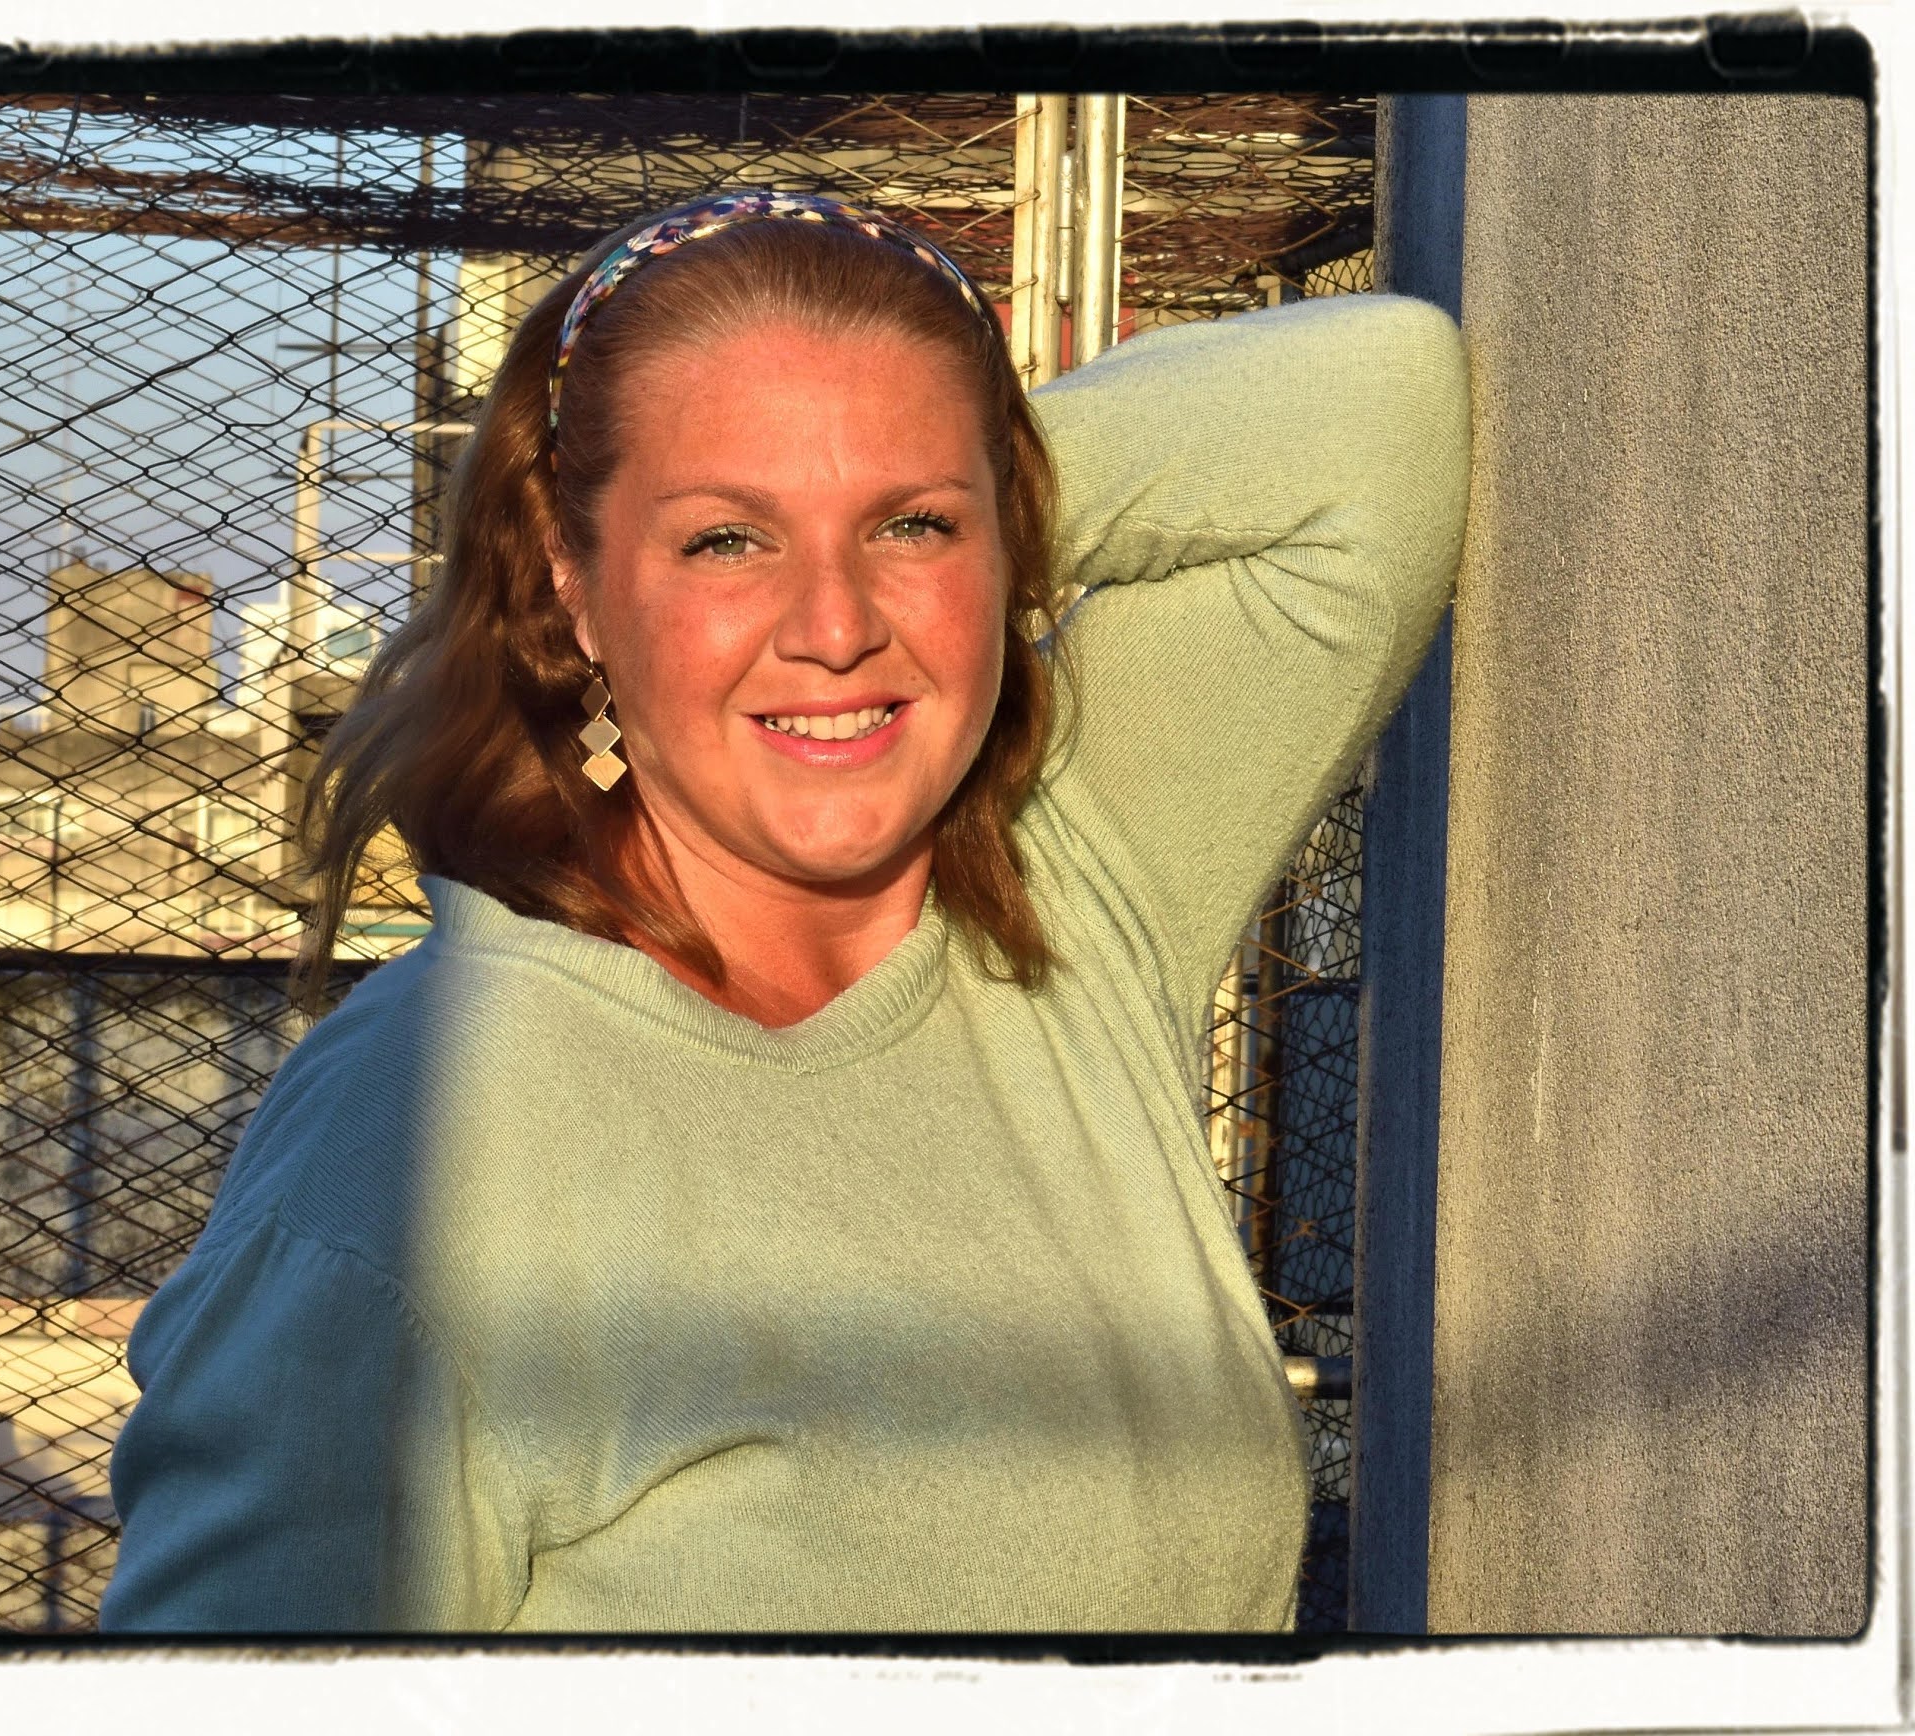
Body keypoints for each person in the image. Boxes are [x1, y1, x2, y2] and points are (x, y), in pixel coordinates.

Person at [100, 189, 1470, 1633]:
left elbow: (1372, 413)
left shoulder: (1064, 898)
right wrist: (926, 489)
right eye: (726, 542)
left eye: (910, 528)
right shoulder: (427, 1133)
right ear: (571, 581)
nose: (835, 626)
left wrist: (983, 483)